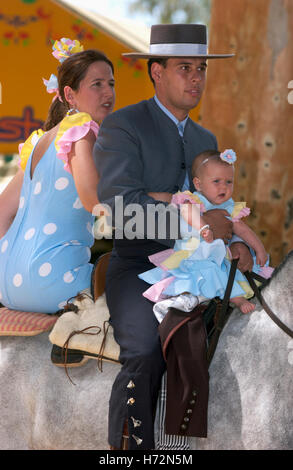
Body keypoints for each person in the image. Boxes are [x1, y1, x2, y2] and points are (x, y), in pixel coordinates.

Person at [94, 24, 253, 450]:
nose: (197, 77)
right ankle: (130, 450)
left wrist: (234, 242)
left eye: (200, 68)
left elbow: (217, 208)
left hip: (205, 265)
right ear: (156, 73)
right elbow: (121, 211)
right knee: (145, 351)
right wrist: (195, 225)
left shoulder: (205, 138)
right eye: (185, 68)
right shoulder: (122, 127)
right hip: (139, 267)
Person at [0, 38, 115, 313]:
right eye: (96, 84)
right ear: (70, 95)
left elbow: (2, 211)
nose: (108, 92)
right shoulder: (82, 129)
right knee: (140, 283)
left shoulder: (38, 142)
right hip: (53, 283)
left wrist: (15, 263)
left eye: (111, 83)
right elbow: (93, 199)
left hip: (6, 281)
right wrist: (153, 216)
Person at [139, 149, 274, 315]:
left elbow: (243, 229)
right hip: (194, 254)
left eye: (229, 182)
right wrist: (203, 226)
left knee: (228, 270)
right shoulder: (194, 199)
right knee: (207, 273)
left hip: (216, 256)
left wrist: (259, 248)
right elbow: (188, 213)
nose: (223, 187)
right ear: (198, 184)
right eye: (216, 181)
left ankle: (203, 299)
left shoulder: (228, 207)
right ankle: (231, 299)